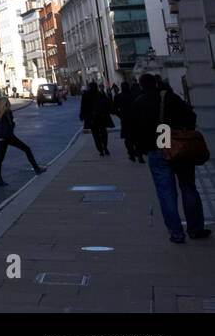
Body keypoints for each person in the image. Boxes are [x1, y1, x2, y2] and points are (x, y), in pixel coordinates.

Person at [127, 74, 208, 243]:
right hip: (179, 148)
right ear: (156, 83)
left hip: (156, 149)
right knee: (188, 187)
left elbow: (132, 130)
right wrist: (182, 132)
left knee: (166, 193)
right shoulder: (169, 97)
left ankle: (176, 233)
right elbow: (190, 116)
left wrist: (140, 149)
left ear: (141, 86)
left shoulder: (139, 103)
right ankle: (195, 228)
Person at [0, 93, 45, 186]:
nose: (9, 104)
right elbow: (10, 126)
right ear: (5, 104)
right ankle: (37, 169)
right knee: (27, 149)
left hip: (2, 138)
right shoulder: (7, 113)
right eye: (8, 103)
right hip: (9, 137)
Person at [80, 81, 114, 156]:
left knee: (95, 135)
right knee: (103, 133)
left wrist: (82, 116)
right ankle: (105, 146)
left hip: (92, 119)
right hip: (101, 118)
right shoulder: (100, 94)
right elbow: (107, 104)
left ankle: (100, 149)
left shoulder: (86, 95)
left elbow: (83, 107)